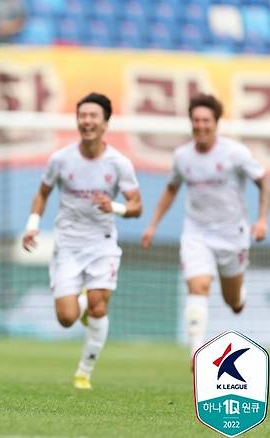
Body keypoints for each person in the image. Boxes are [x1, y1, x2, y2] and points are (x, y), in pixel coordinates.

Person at [22, 93, 142, 390]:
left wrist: (113, 207)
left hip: (102, 245)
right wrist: (33, 224)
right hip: (68, 246)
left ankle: (83, 373)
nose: (87, 121)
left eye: (93, 116)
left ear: (105, 123)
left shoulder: (119, 163)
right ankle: (85, 302)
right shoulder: (61, 159)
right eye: (82, 116)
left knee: (100, 307)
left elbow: (137, 206)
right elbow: (43, 193)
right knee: (66, 318)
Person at [141, 93, 268, 364]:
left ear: (216, 123)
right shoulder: (182, 156)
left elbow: (263, 180)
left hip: (232, 235)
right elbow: (171, 189)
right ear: (190, 122)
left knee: (233, 300)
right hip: (196, 233)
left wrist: (261, 220)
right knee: (198, 286)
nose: (200, 125)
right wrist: (152, 225)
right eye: (196, 120)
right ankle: (196, 352)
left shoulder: (235, 153)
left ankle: (238, 294)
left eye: (206, 120)